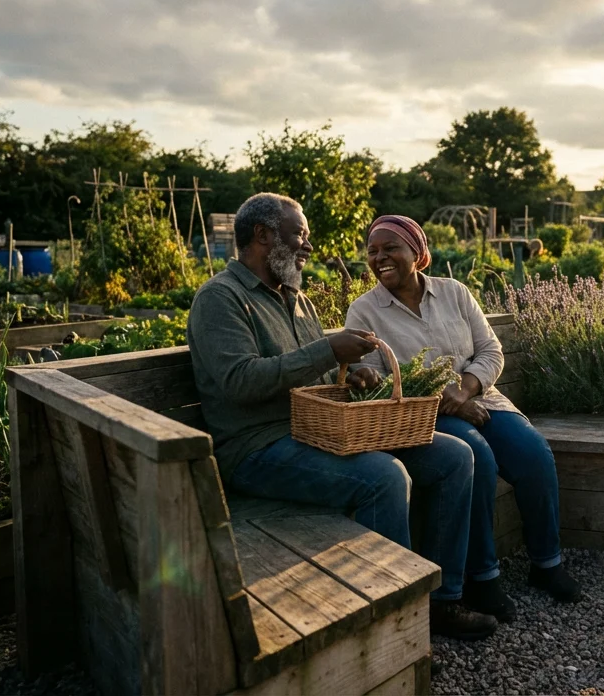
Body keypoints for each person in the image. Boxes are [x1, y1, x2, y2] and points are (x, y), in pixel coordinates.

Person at [186, 194, 497, 641]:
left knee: (454, 456)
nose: (308, 247)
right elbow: (238, 381)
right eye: (300, 236)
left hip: (319, 430)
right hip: (256, 448)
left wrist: (353, 374)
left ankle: (442, 602)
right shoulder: (221, 298)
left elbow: (324, 371)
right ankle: (393, 623)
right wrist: (327, 350)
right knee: (384, 477)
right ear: (263, 235)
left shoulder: (297, 300)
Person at [346, 215, 582, 623]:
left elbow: (491, 350)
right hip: (425, 417)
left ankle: (547, 564)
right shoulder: (364, 311)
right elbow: (375, 380)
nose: (380, 258)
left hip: (484, 400)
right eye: (372, 251)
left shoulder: (454, 293)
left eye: (391, 249)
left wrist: (467, 389)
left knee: (534, 454)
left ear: (418, 255)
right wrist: (446, 401)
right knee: (476, 456)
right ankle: (483, 578)